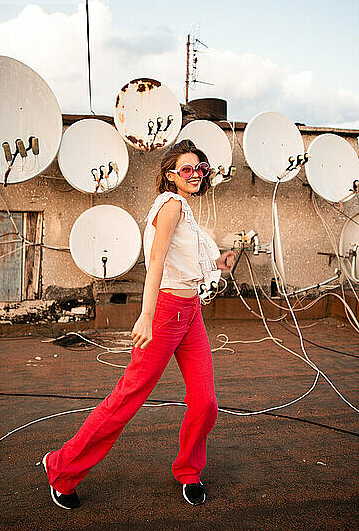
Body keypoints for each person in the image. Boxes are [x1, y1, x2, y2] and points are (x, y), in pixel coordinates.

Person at [41, 139, 236, 509]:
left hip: (190, 311)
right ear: (170, 175)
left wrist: (218, 262)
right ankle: (61, 468)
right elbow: (157, 263)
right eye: (186, 169)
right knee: (127, 399)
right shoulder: (172, 206)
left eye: (200, 169)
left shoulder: (185, 211)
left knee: (205, 401)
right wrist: (146, 315)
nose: (195, 175)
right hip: (165, 314)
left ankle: (189, 470)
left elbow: (183, 263)